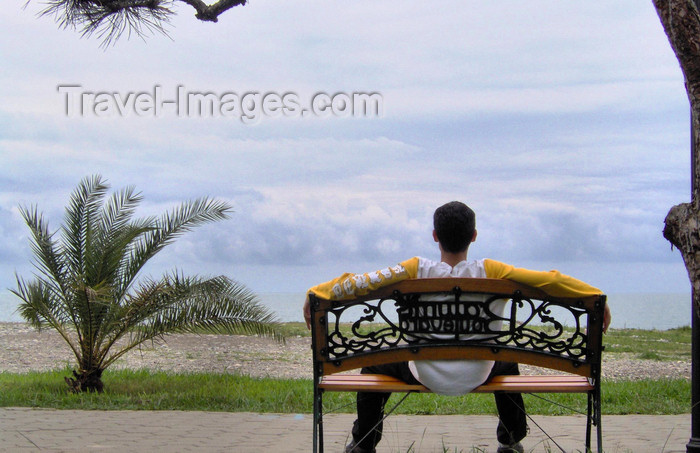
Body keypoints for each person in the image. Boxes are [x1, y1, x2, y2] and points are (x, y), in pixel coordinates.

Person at [303, 201, 612, 453]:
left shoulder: (414, 269)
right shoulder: (493, 271)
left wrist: (318, 292)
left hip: (422, 370)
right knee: (507, 358)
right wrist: (594, 296)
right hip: (479, 370)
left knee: (373, 366)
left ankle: (363, 443)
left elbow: (357, 284)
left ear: (435, 236)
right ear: (474, 235)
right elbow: (552, 280)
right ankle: (511, 437)